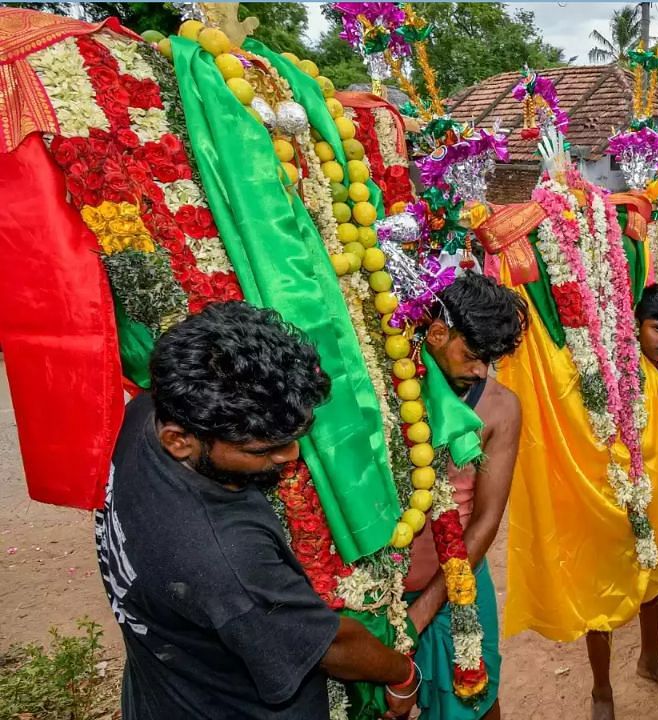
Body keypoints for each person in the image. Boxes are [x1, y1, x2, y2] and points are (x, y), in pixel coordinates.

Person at [96, 302, 419, 719]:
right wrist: (402, 675)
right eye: (263, 449)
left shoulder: (141, 416)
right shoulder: (224, 556)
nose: (291, 455)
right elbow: (331, 646)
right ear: (180, 441)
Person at [402, 273, 528, 720]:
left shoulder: (498, 407)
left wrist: (420, 615)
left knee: (476, 702)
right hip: (380, 592)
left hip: (458, 587)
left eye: (489, 361)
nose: (480, 371)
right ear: (437, 333)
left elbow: (486, 520)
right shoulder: (386, 387)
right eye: (473, 356)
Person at [577, 284, 658, 712]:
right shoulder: (615, 371)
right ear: (636, 326)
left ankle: (650, 660)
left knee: (657, 582)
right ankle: (601, 689)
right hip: (616, 502)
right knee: (603, 596)